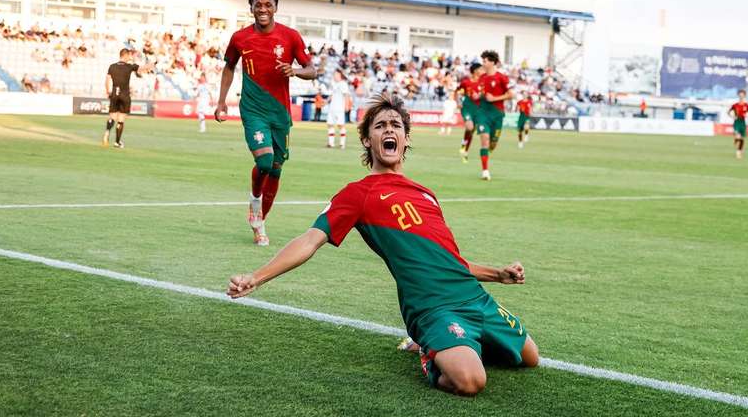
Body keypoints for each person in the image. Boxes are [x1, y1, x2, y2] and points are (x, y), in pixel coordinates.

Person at [226, 94, 539, 395]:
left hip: (474, 297)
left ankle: (456, 343)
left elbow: (450, 261)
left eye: (396, 126)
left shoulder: (425, 193)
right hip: (432, 307)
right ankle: (429, 348)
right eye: (380, 126)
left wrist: (498, 274)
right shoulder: (357, 194)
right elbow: (309, 241)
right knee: (470, 382)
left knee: (530, 358)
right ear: (367, 140)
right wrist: (257, 277)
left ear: (405, 139)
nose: (389, 129)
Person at [215, 0, 317, 246]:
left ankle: (260, 223)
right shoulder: (240, 38)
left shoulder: (290, 36)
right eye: (257, 5)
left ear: (275, 8)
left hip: (280, 113)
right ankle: (255, 200)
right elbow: (228, 68)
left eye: (267, 4)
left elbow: (312, 70)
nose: (262, 9)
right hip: (253, 109)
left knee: (276, 170)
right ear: (251, 9)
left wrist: (294, 71)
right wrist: (221, 102)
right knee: (264, 162)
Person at [475, 50, 513, 180]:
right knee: (484, 140)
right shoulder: (482, 78)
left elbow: (510, 94)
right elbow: (482, 93)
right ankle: (485, 171)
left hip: (497, 114)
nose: (483, 63)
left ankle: (487, 154)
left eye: (485, 61)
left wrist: (495, 98)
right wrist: (477, 95)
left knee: (493, 144)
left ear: (492, 62)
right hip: (483, 113)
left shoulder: (502, 77)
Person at [102, 48, 149, 149]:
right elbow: (143, 69)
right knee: (121, 119)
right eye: (129, 55)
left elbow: (107, 81)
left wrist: (108, 92)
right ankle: (117, 142)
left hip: (114, 94)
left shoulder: (112, 66)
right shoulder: (129, 66)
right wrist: (153, 64)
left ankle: (107, 133)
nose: (130, 57)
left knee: (112, 117)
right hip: (125, 95)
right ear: (125, 55)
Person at [456, 62, 482, 163]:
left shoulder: (482, 82)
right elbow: (458, 92)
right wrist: (458, 101)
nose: (482, 71)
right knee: (470, 127)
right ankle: (464, 146)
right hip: (467, 108)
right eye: (480, 69)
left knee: (471, 131)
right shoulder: (466, 83)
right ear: (475, 70)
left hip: (478, 110)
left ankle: (465, 149)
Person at [326, 69, 349, 149]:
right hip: (332, 107)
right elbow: (332, 95)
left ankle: (342, 144)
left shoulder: (343, 84)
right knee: (330, 124)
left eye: (336, 74)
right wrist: (326, 101)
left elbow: (346, 95)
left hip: (339, 108)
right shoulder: (334, 84)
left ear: (340, 75)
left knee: (340, 125)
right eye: (334, 74)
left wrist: (346, 105)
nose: (334, 76)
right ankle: (331, 143)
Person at [728, 89, 748, 159]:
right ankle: (738, 152)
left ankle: (739, 150)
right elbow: (728, 112)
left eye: (742, 95)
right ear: (738, 95)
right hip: (737, 122)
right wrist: (733, 116)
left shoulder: (747, 105)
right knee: (737, 136)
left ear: (744, 96)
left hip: (743, 122)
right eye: (740, 94)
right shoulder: (735, 105)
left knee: (742, 139)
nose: (741, 96)